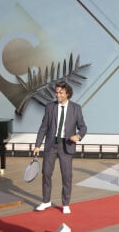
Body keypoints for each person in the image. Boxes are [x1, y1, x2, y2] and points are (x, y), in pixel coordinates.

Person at [33, 81, 87, 214]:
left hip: (66, 145)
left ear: (67, 93)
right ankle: (46, 201)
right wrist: (37, 145)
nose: (57, 95)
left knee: (67, 176)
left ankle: (66, 204)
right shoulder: (50, 107)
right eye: (56, 92)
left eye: (60, 93)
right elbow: (43, 127)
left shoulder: (76, 108)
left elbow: (83, 127)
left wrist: (78, 136)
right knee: (46, 173)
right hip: (51, 145)